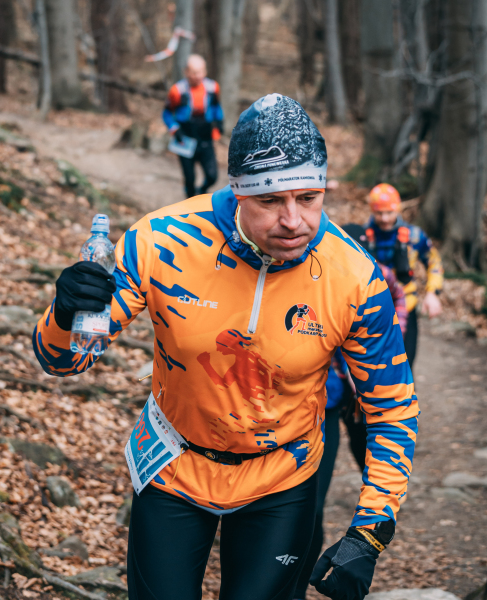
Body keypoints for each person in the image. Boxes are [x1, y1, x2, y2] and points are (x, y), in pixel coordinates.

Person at [34, 94, 419, 600]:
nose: (294, 220)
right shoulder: (161, 240)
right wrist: (65, 314)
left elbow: (391, 407)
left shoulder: (354, 277)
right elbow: (62, 360)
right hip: (173, 464)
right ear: (238, 192)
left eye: (309, 198)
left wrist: (370, 531)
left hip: (283, 476)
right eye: (271, 201)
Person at [293, 223, 409, 600]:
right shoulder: (317, 276)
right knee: (306, 505)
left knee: (320, 496)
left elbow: (399, 301)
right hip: (317, 403)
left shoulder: (375, 277)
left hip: (348, 400)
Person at [365, 183, 443, 368]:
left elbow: (434, 262)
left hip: (407, 307)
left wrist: (432, 293)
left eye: (389, 212)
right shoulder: (362, 237)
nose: (384, 218)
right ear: (372, 211)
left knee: (405, 363)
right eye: (379, 213)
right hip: (372, 310)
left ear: (397, 210)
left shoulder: (414, 236)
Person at [163, 54, 224, 198]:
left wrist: (219, 124)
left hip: (205, 137)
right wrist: (174, 128)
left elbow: (216, 107)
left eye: (201, 72)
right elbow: (166, 113)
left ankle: (202, 190)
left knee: (212, 176)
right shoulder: (177, 91)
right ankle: (190, 201)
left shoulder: (213, 88)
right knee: (189, 178)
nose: (198, 76)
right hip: (185, 138)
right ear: (186, 72)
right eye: (194, 72)